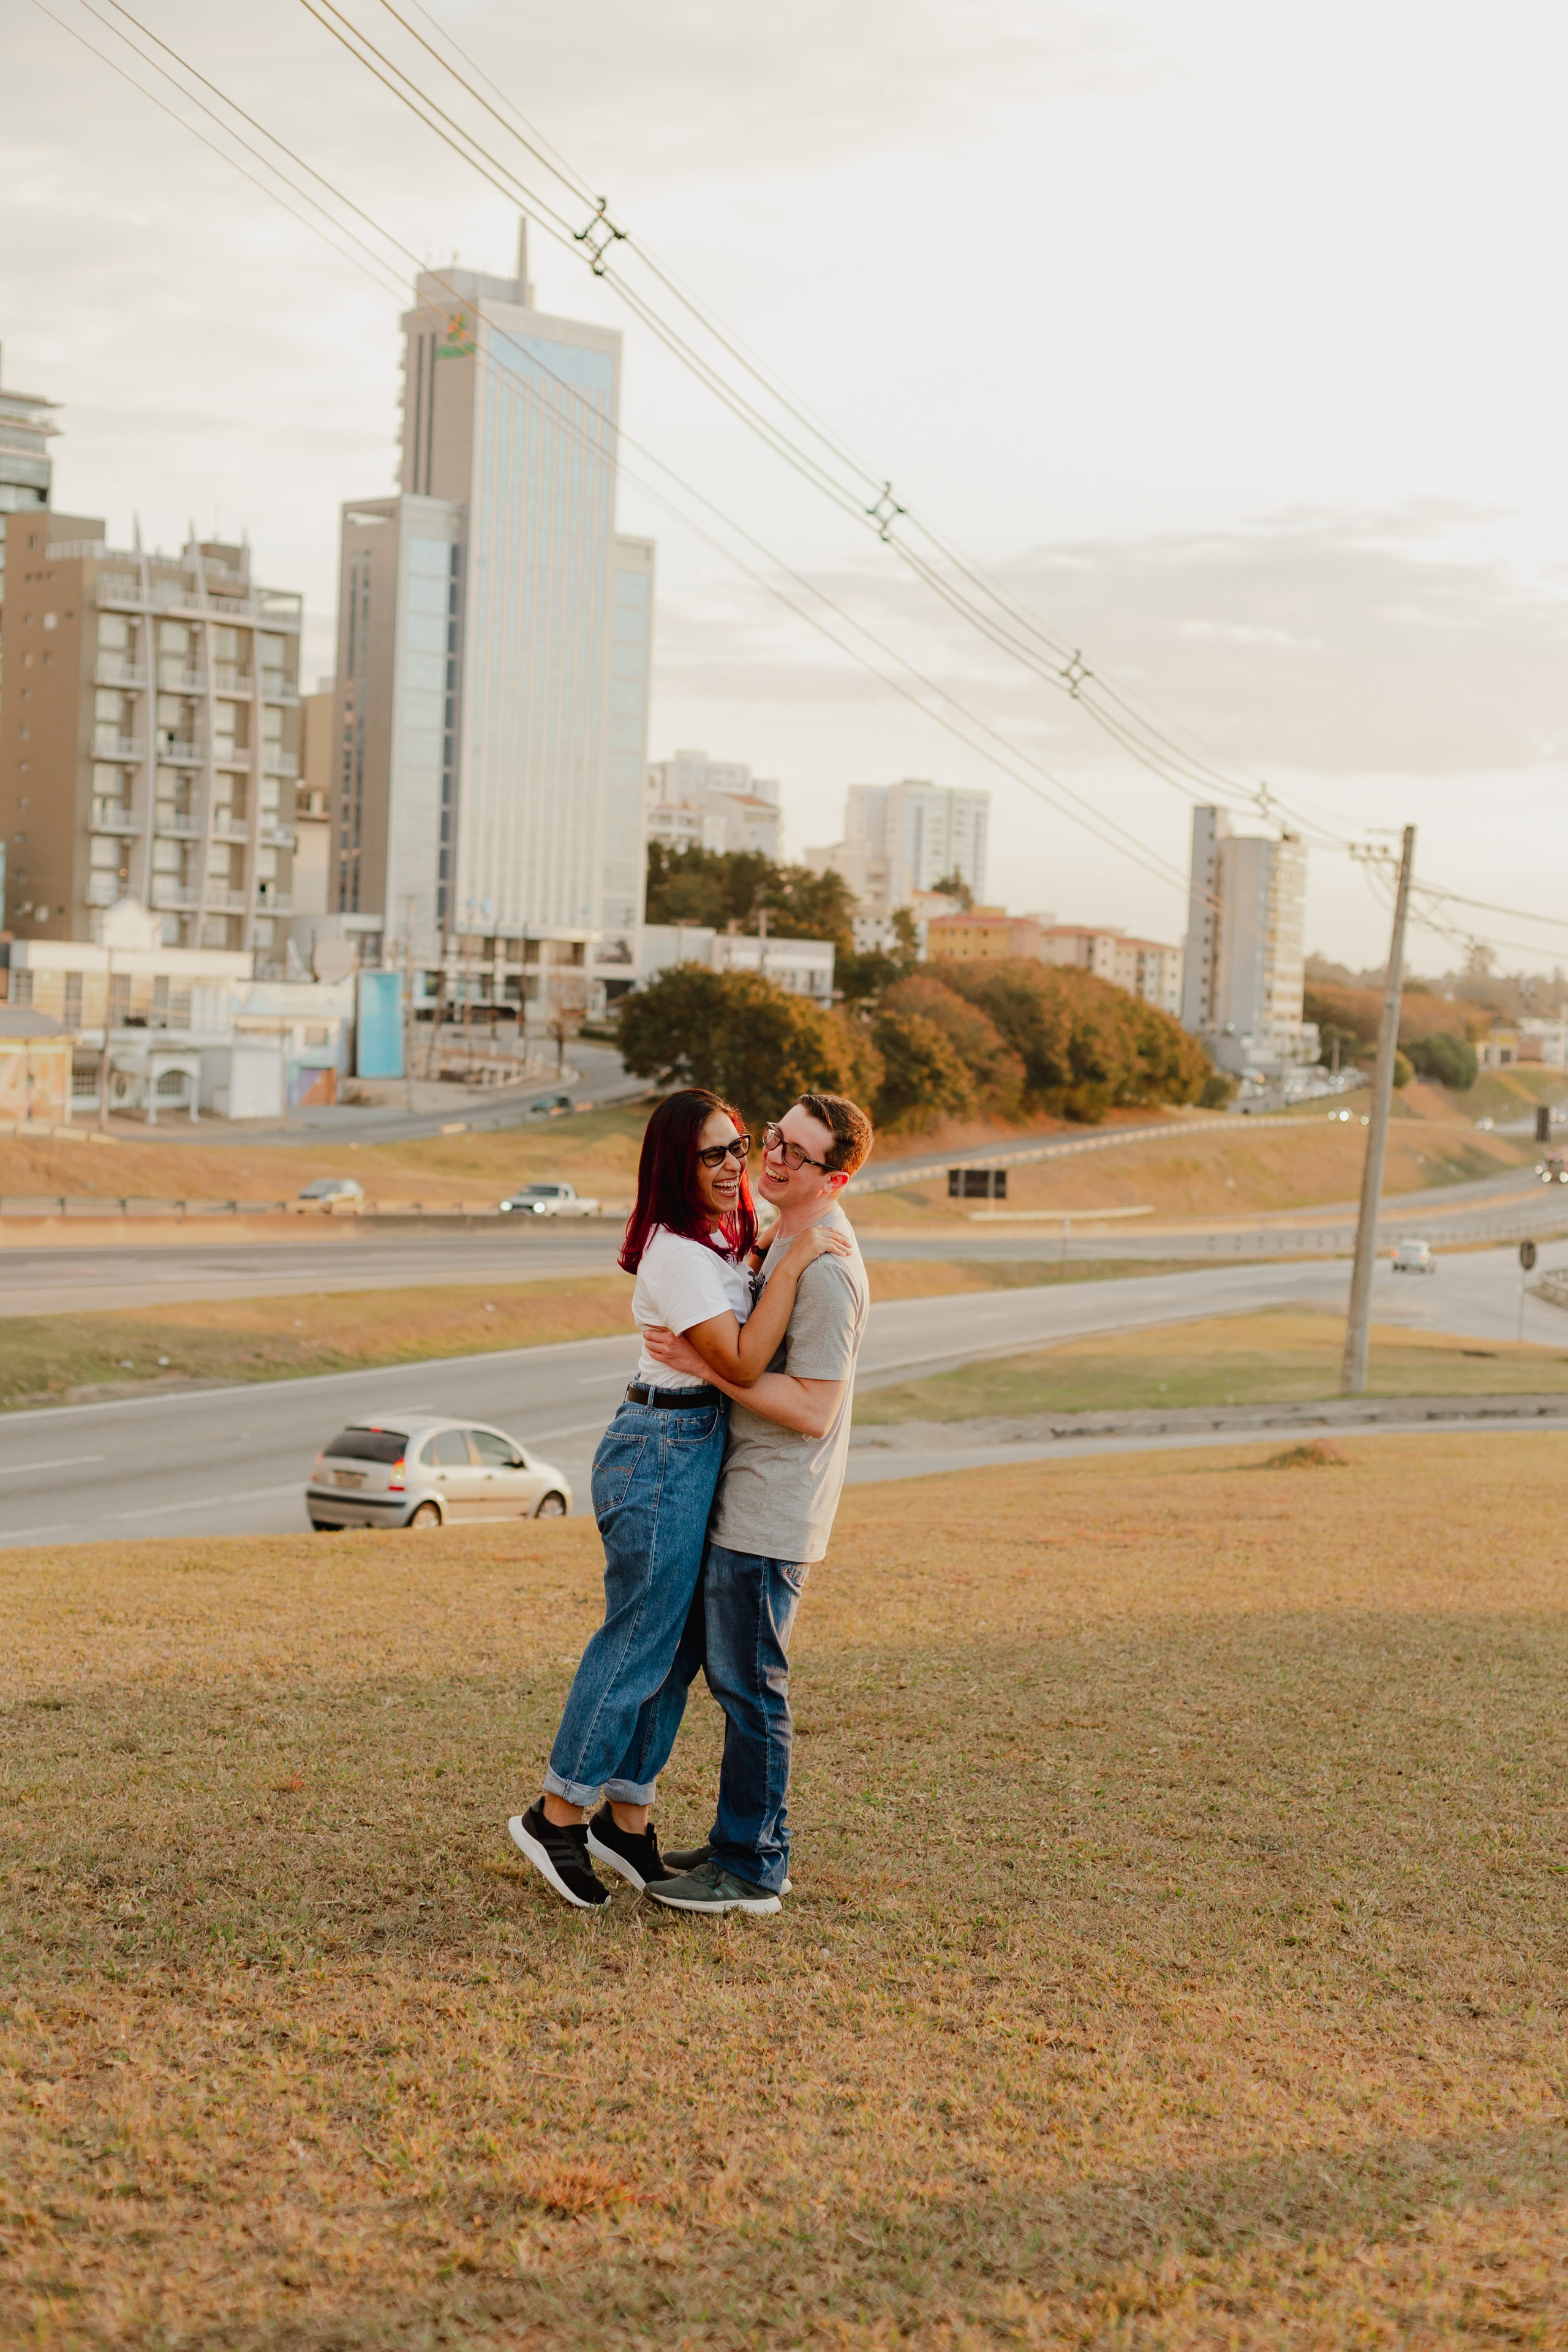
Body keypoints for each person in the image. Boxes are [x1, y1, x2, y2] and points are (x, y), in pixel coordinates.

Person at [508, 1086, 849, 1912]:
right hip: (660, 1447)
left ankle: (627, 1821)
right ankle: (556, 1813)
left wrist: (772, 1245)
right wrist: (794, 1256)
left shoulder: (720, 1237)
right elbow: (741, 1362)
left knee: (679, 1648)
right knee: (638, 1639)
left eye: (740, 1146)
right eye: (713, 1154)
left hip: (694, 1446)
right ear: (675, 1164)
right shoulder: (679, 1255)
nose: (735, 1165)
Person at [638, 1091, 875, 1917]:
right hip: (746, 1496)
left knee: (751, 1690)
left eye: (797, 1154)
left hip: (772, 1511)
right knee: (737, 1683)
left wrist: (704, 1367)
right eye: (775, 1138)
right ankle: (740, 1839)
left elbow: (812, 1409)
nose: (771, 1158)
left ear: (834, 1178)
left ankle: (752, 1867)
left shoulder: (829, 1271)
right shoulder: (785, 1241)